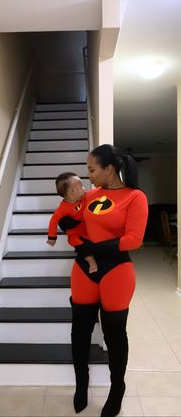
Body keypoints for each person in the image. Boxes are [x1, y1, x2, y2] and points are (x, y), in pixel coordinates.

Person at [63, 144, 148, 417]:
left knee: (114, 333)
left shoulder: (135, 197)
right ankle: (81, 384)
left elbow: (133, 240)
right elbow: (72, 219)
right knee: (80, 330)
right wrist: (68, 232)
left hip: (116, 271)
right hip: (84, 269)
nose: (88, 175)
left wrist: (92, 249)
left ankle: (117, 389)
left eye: (91, 169)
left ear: (108, 169)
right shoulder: (89, 196)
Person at [47, 172, 98, 273]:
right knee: (80, 244)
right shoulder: (63, 209)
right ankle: (91, 261)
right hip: (75, 234)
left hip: (86, 229)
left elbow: (95, 194)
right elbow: (53, 221)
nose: (84, 188)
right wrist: (52, 238)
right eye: (81, 186)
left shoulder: (83, 198)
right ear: (72, 191)